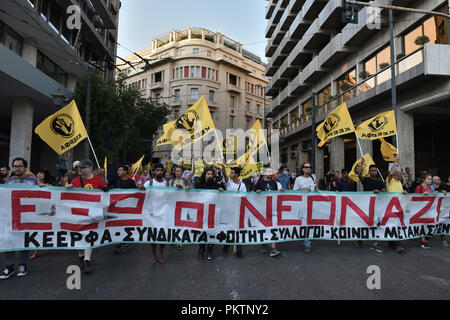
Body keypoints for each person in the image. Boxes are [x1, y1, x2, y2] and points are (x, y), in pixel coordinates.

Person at [0, 158, 39, 279]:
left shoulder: (33, 180)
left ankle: (22, 265)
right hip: (11, 215)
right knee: (8, 239)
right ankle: (9, 267)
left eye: (19, 166)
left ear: (25, 167)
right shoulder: (9, 181)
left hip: (27, 216)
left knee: (24, 240)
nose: (17, 168)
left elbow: (39, 195)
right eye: (15, 166)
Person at [66, 159, 106, 273]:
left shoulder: (98, 180)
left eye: (83, 168)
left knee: (89, 235)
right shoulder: (76, 180)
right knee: (79, 235)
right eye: (79, 168)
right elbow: (66, 190)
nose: (80, 170)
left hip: (92, 214)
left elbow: (104, 193)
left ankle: (87, 260)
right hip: (78, 213)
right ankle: (81, 255)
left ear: (89, 168)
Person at [195, 167, 225, 260]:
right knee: (202, 231)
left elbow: (225, 196)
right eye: (208, 174)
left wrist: (222, 191)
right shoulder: (199, 185)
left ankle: (210, 250)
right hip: (202, 212)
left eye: (211, 174)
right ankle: (201, 249)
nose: (210, 176)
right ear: (204, 175)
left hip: (213, 213)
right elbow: (193, 196)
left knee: (211, 231)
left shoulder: (217, 185)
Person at [357, 159, 386, 253]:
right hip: (366, 205)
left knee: (376, 224)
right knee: (364, 223)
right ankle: (360, 237)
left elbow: (384, 191)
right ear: (369, 171)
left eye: (375, 171)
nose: (374, 172)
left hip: (376, 207)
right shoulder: (366, 180)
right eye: (372, 170)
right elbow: (359, 175)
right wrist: (361, 164)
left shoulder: (380, 182)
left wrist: (381, 191)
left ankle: (375, 243)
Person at [143, 164, 169, 263]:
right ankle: (153, 255)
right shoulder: (149, 182)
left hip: (163, 213)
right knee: (153, 236)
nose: (159, 172)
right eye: (157, 170)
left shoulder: (166, 184)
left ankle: (161, 254)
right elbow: (141, 190)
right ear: (154, 171)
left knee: (163, 235)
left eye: (161, 170)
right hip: (152, 213)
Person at [255, 167, 281, 257]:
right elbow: (252, 195)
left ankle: (273, 248)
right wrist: (257, 192)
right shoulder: (259, 182)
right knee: (263, 227)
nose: (271, 173)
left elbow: (276, 194)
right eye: (269, 171)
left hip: (272, 208)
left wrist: (280, 192)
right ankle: (263, 244)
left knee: (273, 227)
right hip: (262, 209)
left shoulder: (274, 183)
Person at [222, 166, 247, 258]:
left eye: (232, 173)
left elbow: (245, 197)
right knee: (229, 229)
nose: (230, 174)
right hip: (229, 210)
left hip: (238, 210)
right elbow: (224, 174)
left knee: (239, 230)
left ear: (236, 174)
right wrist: (223, 167)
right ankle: (227, 244)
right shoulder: (229, 183)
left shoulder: (243, 185)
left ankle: (239, 250)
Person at [293, 162, 317, 253]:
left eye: (310, 167)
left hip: (311, 204)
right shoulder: (298, 179)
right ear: (302, 169)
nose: (308, 169)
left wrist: (316, 189)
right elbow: (294, 192)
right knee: (305, 223)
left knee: (309, 223)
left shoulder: (313, 178)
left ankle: (307, 240)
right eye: (306, 167)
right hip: (301, 205)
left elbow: (314, 188)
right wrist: (303, 190)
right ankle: (306, 243)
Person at [385, 157, 407, 253]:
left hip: (399, 206)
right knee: (395, 224)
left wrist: (404, 192)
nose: (401, 176)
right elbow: (390, 173)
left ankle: (391, 242)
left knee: (396, 224)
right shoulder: (389, 180)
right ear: (395, 175)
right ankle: (397, 245)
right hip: (392, 206)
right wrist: (396, 162)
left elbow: (400, 192)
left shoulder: (399, 182)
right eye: (400, 175)